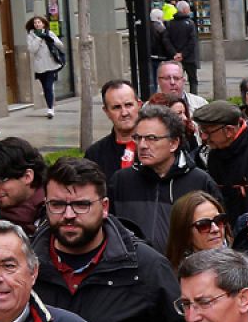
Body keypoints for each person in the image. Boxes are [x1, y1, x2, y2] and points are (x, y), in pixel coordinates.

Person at [32, 157, 184, 322]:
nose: (68, 215)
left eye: (81, 205)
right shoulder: (25, 268)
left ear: (104, 207)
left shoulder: (147, 268)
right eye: (57, 205)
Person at [107, 105, 222, 254]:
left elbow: (219, 234)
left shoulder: (199, 182)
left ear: (173, 143)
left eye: (151, 138)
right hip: (134, 266)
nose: (142, 145)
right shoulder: (121, 181)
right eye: (138, 138)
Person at [193, 101, 248, 222]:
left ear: (229, 130)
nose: (203, 137)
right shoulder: (214, 154)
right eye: (201, 132)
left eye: (208, 132)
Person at [84, 80, 142, 178]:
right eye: (116, 107)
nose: (124, 113)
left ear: (139, 105)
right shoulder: (95, 154)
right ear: (106, 111)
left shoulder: (157, 147)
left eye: (128, 105)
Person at [165, 190, 229, 265]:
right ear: (185, 232)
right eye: (203, 225)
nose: (215, 229)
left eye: (219, 220)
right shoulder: (170, 271)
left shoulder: (238, 263)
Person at [25, 16, 65, 119]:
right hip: (40, 67)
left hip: (50, 64)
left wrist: (50, 39)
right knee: (45, 87)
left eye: (39, 22)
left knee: (48, 86)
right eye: (35, 23)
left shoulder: (49, 33)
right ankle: (49, 104)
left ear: (43, 24)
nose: (37, 24)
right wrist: (39, 38)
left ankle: (50, 109)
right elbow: (32, 50)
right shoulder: (31, 36)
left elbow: (60, 45)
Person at [166, 1, 201, 89]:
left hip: (175, 58)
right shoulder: (190, 23)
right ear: (185, 10)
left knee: (175, 80)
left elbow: (166, 40)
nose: (190, 11)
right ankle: (193, 96)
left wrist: (174, 53)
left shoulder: (170, 24)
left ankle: (176, 95)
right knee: (193, 80)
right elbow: (192, 41)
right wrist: (183, 54)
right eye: (188, 9)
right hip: (189, 58)